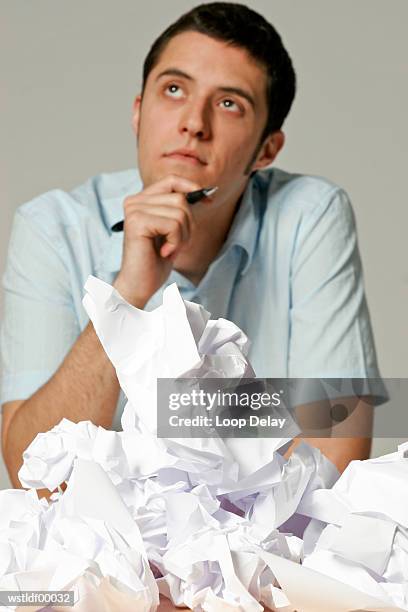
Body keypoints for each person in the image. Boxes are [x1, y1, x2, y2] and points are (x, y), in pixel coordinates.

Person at [1, 2, 385, 488]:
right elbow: (34, 478)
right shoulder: (51, 228)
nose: (193, 122)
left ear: (266, 149)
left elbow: (334, 455)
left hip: (263, 558)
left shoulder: (310, 214)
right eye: (174, 90)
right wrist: (127, 296)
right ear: (139, 112)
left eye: (229, 104)